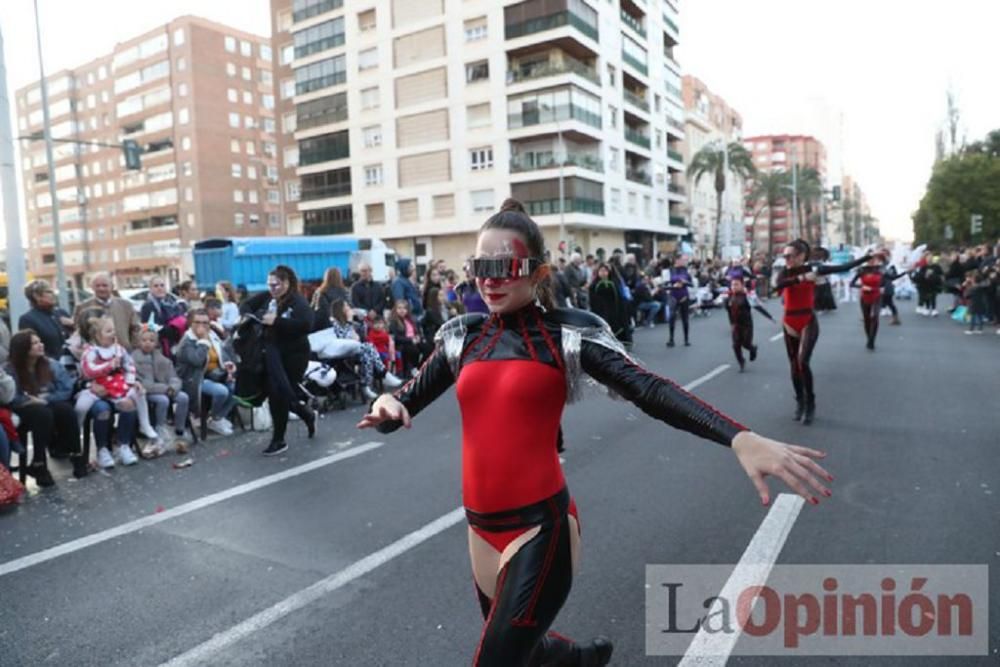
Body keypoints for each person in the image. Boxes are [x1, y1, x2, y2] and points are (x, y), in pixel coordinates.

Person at [358, 198, 833, 667]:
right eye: (482, 264)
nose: (489, 278)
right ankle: (583, 659)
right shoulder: (463, 337)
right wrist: (387, 404)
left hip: (540, 531)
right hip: (481, 531)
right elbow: (405, 398)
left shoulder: (566, 335)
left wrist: (738, 436)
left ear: (538, 273)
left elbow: (648, 388)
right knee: (528, 651)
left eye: (505, 265)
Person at [774, 239, 870, 424]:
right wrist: (802, 278)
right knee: (794, 366)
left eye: (790, 256)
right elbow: (777, 286)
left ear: (801, 256)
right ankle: (800, 402)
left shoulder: (816, 269)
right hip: (789, 321)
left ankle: (810, 403)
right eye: (784, 256)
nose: (787, 259)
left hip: (807, 320)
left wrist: (866, 258)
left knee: (803, 362)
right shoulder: (784, 272)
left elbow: (843, 267)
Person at [241, 266, 316, 456]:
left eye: (275, 285)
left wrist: (276, 321)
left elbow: (307, 324)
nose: (272, 289)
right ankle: (305, 414)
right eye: (269, 285)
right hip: (270, 353)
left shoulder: (297, 301)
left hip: (294, 356)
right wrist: (257, 316)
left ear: (286, 283)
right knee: (277, 393)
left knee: (279, 393)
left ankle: (279, 439)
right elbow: (246, 306)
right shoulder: (267, 297)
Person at [6, 330, 83, 484]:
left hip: (48, 402)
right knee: (42, 414)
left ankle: (76, 455)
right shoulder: (10, 370)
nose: (40, 345)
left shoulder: (51, 364)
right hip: (23, 407)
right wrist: (29, 400)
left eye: (39, 341)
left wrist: (45, 399)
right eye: (34, 343)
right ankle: (39, 463)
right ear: (23, 348)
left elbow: (66, 389)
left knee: (65, 410)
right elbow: (10, 397)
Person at [78, 315, 161, 453]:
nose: (113, 334)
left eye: (113, 330)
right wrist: (108, 366)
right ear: (98, 336)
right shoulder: (91, 352)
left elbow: (129, 365)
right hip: (98, 386)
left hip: (118, 385)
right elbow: (88, 371)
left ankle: (143, 426)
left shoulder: (119, 349)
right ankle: (78, 432)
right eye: (108, 331)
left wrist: (130, 381)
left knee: (138, 393)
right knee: (82, 407)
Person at [176, 309, 238, 437]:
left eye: (205, 322)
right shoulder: (186, 342)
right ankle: (214, 417)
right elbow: (197, 361)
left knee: (237, 387)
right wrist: (203, 341)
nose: (202, 325)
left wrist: (227, 365)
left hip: (215, 374)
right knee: (221, 391)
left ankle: (217, 418)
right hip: (195, 379)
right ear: (190, 324)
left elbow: (222, 354)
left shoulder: (212, 335)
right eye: (197, 322)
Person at [134, 328, 191, 455]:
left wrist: (173, 387)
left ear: (156, 343)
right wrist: (166, 389)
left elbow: (174, 377)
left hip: (165, 389)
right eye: (144, 340)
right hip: (147, 392)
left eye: (151, 340)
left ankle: (180, 429)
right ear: (138, 342)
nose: (147, 343)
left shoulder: (162, 359)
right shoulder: (134, 359)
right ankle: (160, 427)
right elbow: (144, 384)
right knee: (163, 400)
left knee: (183, 397)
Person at [328, 299, 400, 399]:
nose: (349, 308)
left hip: (354, 348)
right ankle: (383, 374)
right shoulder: (334, 322)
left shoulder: (347, 321)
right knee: (369, 347)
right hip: (342, 350)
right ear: (340, 309)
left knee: (367, 356)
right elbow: (342, 337)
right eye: (346, 306)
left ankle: (366, 385)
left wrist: (361, 320)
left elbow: (362, 332)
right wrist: (349, 321)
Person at [75, 272, 141, 351]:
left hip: (124, 353)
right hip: (96, 356)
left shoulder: (126, 306)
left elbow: (136, 329)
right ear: (92, 287)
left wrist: (133, 348)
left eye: (104, 285)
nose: (101, 288)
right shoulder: (83, 307)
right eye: (97, 286)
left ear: (112, 287)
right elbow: (78, 332)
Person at [723, 277, 775, 371]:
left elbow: (758, 307)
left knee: (746, 344)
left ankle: (752, 349)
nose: (734, 287)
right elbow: (722, 308)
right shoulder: (728, 297)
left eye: (736, 284)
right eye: (732, 285)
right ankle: (741, 362)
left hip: (746, 325)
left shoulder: (747, 296)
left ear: (742, 285)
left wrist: (770, 317)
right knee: (736, 345)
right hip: (735, 325)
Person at [18, 280, 73, 359]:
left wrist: (74, 325)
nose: (53, 294)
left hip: (72, 365)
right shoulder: (27, 319)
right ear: (36, 296)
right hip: (50, 367)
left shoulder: (61, 313)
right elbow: (32, 349)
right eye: (49, 292)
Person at [388, 299, 430, 377]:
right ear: (395, 309)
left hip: (414, 340)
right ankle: (412, 368)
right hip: (403, 343)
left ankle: (418, 367)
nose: (402, 310)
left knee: (428, 348)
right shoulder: (394, 322)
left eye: (404, 308)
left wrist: (418, 337)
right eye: (399, 308)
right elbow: (396, 337)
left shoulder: (410, 320)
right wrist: (410, 340)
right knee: (414, 350)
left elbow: (416, 331)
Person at [851, 257, 885, 351]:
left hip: (877, 296)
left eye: (873, 260)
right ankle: (868, 338)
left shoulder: (880, 270)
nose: (871, 262)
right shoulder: (862, 270)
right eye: (869, 260)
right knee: (867, 319)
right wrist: (862, 286)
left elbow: (886, 281)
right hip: (865, 297)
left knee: (875, 317)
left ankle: (871, 340)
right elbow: (852, 284)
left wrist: (905, 273)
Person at [588, 263, 628, 342]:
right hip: (600, 310)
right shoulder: (594, 284)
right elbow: (592, 298)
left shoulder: (614, 282)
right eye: (601, 271)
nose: (603, 273)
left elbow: (618, 297)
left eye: (605, 271)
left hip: (613, 309)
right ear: (598, 272)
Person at [665, 256, 694, 347]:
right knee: (672, 317)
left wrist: (685, 282)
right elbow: (665, 284)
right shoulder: (670, 270)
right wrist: (674, 285)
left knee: (685, 318)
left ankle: (686, 339)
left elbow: (691, 284)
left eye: (683, 260)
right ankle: (671, 339)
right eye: (680, 260)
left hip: (684, 296)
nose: (682, 262)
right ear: (675, 261)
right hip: (673, 295)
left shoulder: (686, 271)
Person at [311, 267, 349, 331]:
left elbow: (314, 307)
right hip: (342, 324)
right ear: (339, 277)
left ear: (326, 277)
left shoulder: (320, 291)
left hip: (324, 325)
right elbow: (348, 307)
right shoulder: (345, 292)